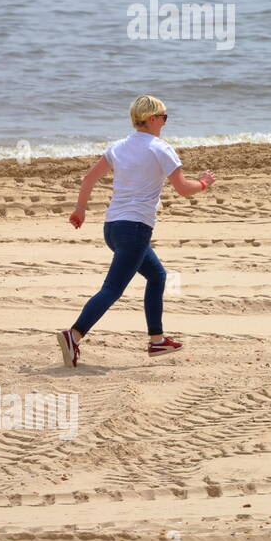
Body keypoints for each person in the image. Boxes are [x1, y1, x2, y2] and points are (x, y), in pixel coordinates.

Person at [56, 96, 216, 367]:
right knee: (112, 289)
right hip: (135, 229)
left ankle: (157, 340)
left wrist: (80, 209)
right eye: (163, 117)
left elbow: (89, 178)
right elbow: (183, 188)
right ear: (152, 118)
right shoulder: (160, 148)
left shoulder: (119, 147)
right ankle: (74, 335)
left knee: (157, 275)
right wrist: (204, 182)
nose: (165, 122)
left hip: (113, 228)